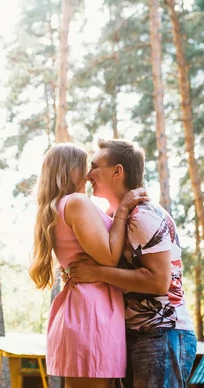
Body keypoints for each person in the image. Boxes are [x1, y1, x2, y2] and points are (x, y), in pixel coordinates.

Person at [66, 138, 197, 388]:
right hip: (139, 335)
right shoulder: (120, 217)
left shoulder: (142, 215)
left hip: (163, 332)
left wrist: (97, 272)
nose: (88, 173)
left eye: (94, 166)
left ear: (117, 171)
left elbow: (159, 282)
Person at [29, 143, 148, 388]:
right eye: (85, 167)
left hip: (88, 306)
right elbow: (108, 257)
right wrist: (124, 207)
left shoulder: (63, 206)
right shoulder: (75, 203)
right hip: (92, 310)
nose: (88, 174)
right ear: (69, 170)